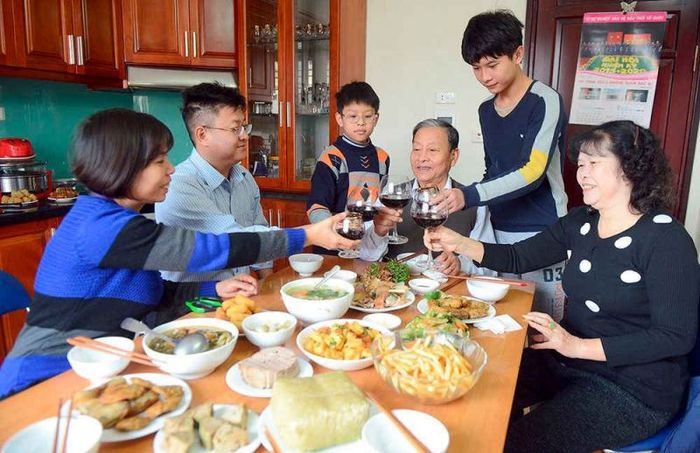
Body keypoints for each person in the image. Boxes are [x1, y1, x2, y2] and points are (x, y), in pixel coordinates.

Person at [0, 108, 357, 399]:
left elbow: (151, 295)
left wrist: (212, 289)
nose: (171, 168)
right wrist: (306, 234)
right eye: (159, 160)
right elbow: (210, 249)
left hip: (102, 368)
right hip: (44, 380)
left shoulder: (120, 221)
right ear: (123, 166)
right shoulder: (100, 227)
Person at [425, 121, 699, 452]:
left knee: (513, 443)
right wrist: (458, 242)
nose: (583, 174)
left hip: (632, 388)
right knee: (469, 390)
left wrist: (577, 346)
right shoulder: (582, 221)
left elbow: (675, 336)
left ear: (631, 167)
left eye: (594, 163)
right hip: (567, 361)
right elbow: (518, 256)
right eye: (581, 164)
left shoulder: (665, 238)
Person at [433, 10, 569, 319]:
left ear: (518, 54)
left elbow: (533, 171)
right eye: (476, 68)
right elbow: (493, 170)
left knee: (542, 325)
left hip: (543, 229)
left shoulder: (544, 100)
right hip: (499, 232)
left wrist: (468, 195)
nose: (484, 76)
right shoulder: (486, 110)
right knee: (503, 322)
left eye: (492, 65)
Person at [155, 83, 273, 287]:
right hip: (193, 302)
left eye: (244, 127)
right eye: (235, 129)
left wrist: (269, 286)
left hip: (238, 297)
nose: (245, 136)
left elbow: (261, 243)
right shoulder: (179, 184)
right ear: (202, 135)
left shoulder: (244, 177)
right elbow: (235, 239)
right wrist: (309, 234)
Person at [360, 118, 497, 277]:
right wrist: (377, 232)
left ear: (453, 156)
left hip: (449, 290)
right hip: (397, 288)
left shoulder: (473, 203)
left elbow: (491, 268)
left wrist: (461, 264)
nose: (422, 157)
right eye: (417, 149)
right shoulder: (390, 196)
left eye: (432, 150)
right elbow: (364, 257)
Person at [306, 81, 390, 254]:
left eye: (368, 116)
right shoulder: (331, 158)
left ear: (376, 118)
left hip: (368, 247)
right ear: (340, 119)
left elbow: (380, 202)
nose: (361, 123)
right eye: (353, 116)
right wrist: (334, 231)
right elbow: (316, 206)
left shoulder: (382, 158)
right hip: (333, 247)